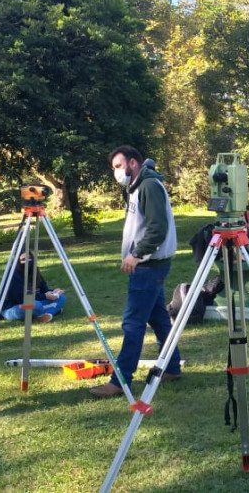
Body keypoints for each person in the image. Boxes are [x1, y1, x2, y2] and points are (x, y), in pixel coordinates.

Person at [90, 146, 181, 399]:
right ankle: (172, 367)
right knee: (159, 320)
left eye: (119, 166)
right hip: (150, 266)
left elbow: (157, 228)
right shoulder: (137, 186)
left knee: (132, 324)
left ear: (133, 163)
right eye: (114, 168)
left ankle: (120, 381)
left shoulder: (148, 186)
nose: (116, 172)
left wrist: (136, 254)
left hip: (148, 267)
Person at [0, 251, 66, 323]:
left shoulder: (35, 273)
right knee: (36, 305)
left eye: (29, 258)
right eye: (23, 259)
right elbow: (20, 298)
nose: (27, 261)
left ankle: (44, 315)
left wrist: (54, 292)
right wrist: (45, 296)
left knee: (61, 297)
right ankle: (51, 310)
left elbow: (44, 291)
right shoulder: (13, 275)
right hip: (15, 307)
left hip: (35, 302)